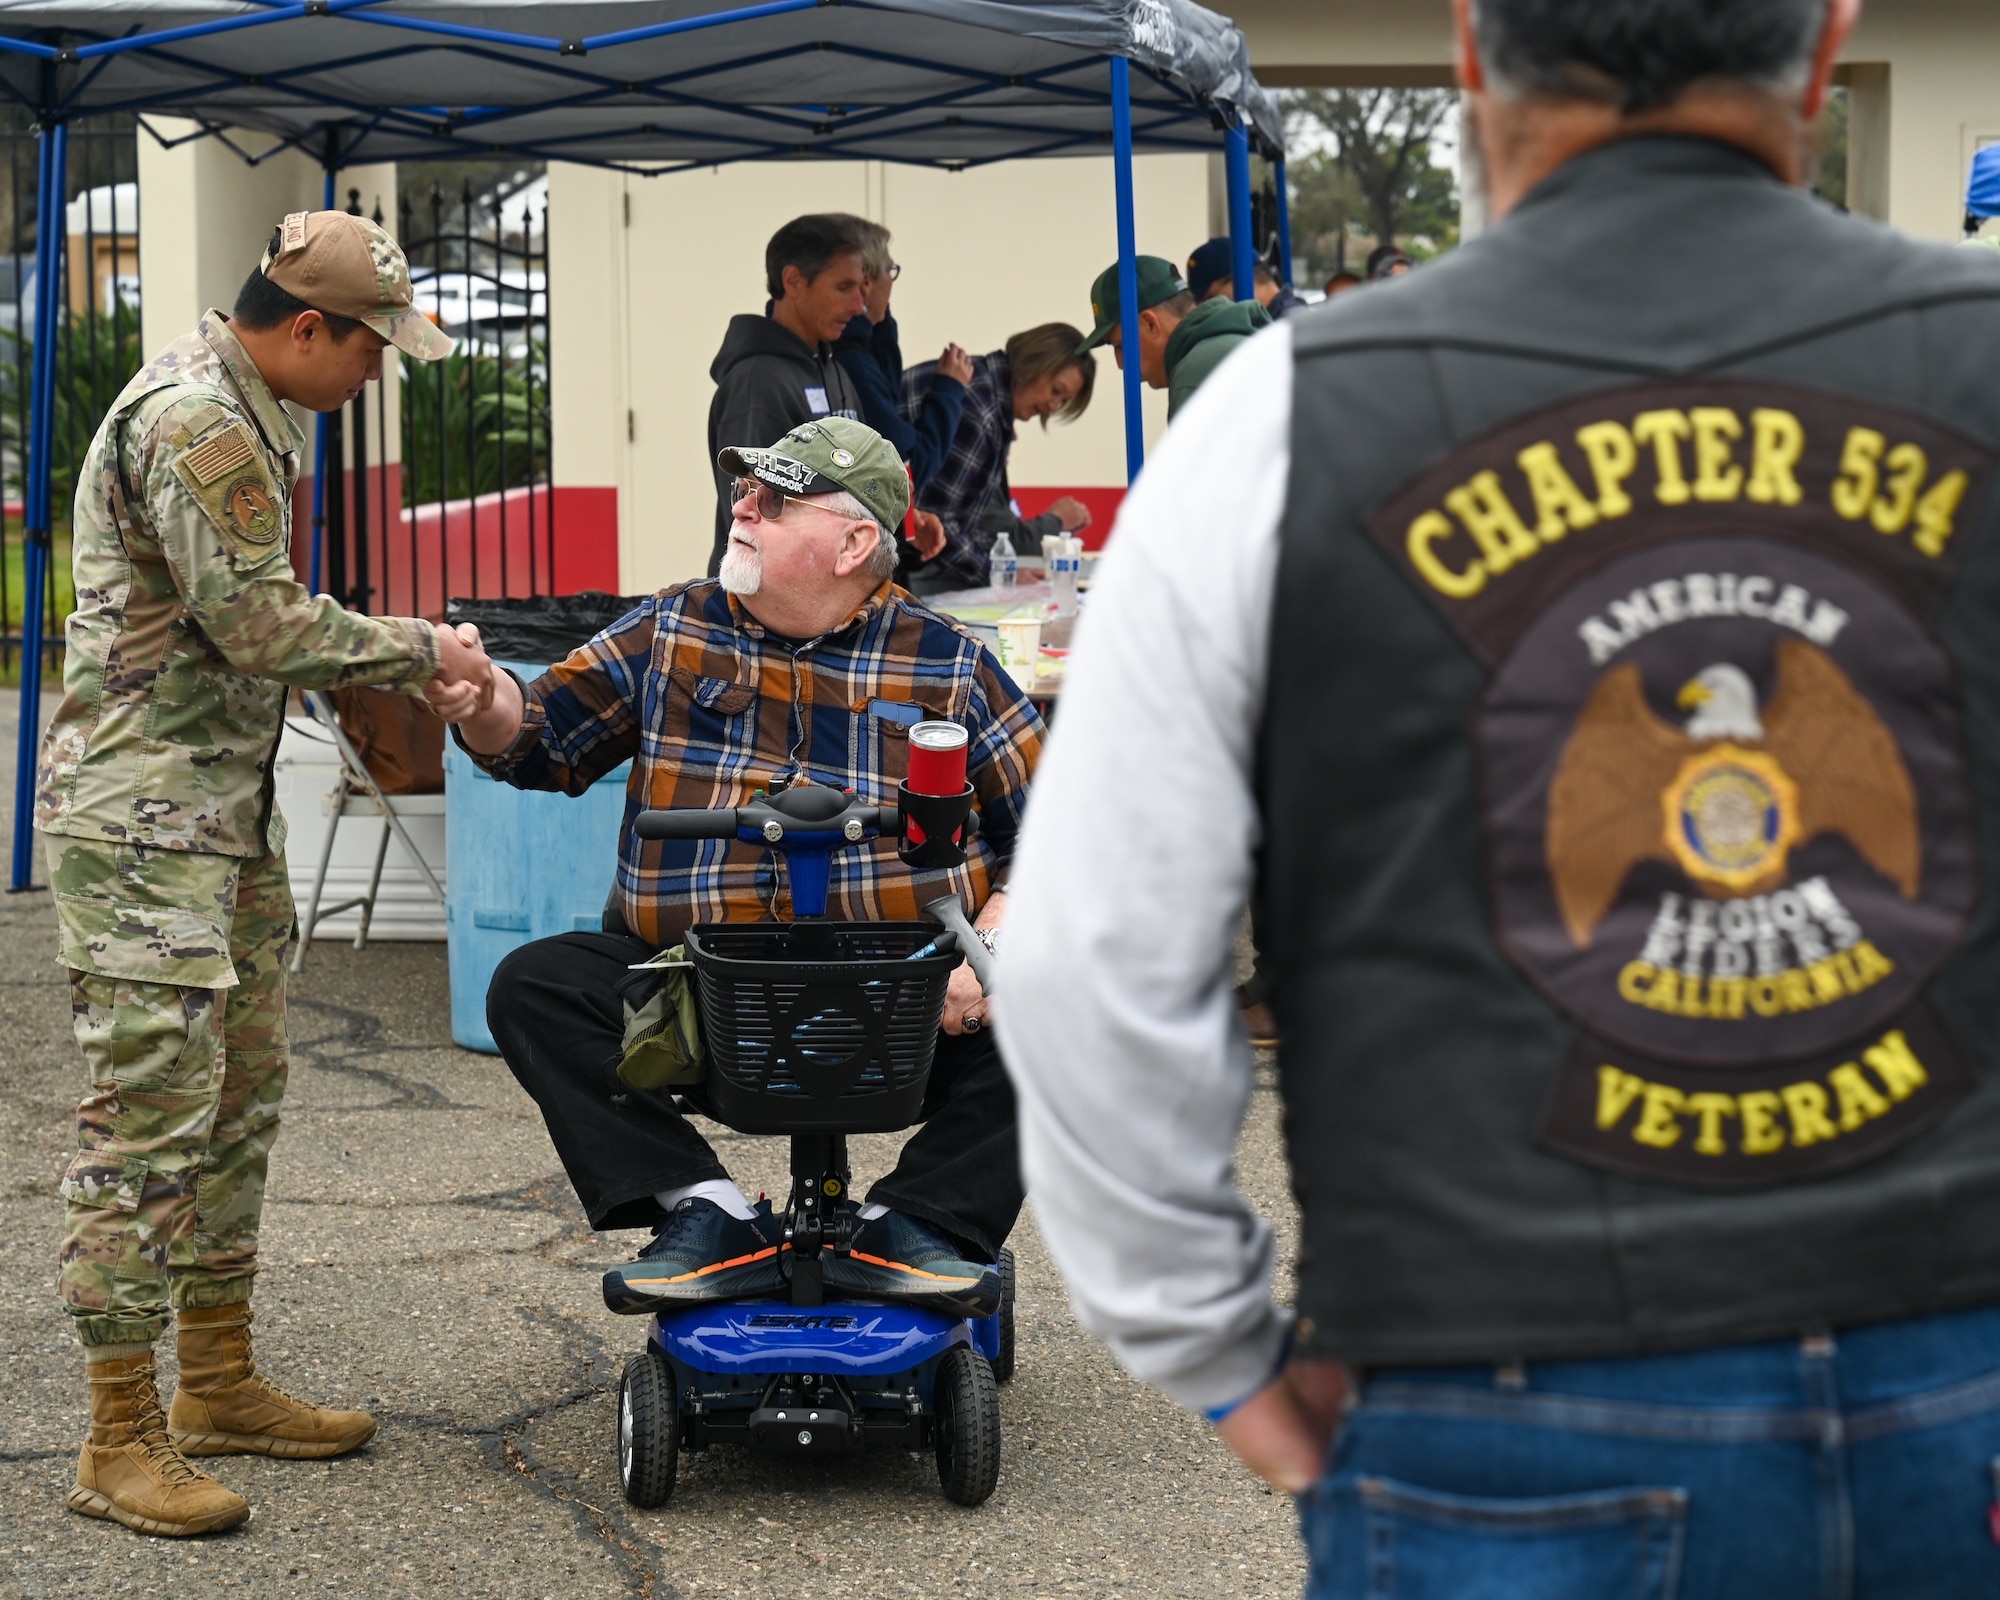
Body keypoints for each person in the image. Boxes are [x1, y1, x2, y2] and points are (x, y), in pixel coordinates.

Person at [1002, 0, 2000, 1592]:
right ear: (1825, 46)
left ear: (1472, 48)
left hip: (1504, 1393)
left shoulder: (1278, 415)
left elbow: (1088, 959)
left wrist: (1219, 1355)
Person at [34, 211, 487, 1539]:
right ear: (306, 330)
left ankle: (217, 1382)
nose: (373, 380)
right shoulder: (199, 422)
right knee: (149, 1122)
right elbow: (259, 621)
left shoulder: (243, 408)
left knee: (238, 1099)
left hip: (216, 816)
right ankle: (118, 1438)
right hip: (146, 831)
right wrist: (425, 650)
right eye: (371, 355)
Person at [449, 417, 1043, 1325]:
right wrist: (482, 697)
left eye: (776, 498)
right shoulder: (673, 626)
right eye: (743, 490)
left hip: (906, 1000)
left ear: (854, 543)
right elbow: (540, 739)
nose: (744, 506)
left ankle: (917, 1227)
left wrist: (988, 946)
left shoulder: (948, 664)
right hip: (696, 996)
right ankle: (707, 1215)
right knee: (535, 985)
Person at [706, 214, 866, 576]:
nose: (859, 306)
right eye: (844, 287)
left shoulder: (833, 369)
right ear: (793, 280)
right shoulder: (757, 383)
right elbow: (755, 514)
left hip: (829, 594)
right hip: (774, 610)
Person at [903, 324, 1095, 591]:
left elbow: (968, 521)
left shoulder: (986, 396)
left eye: (1062, 402)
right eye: (1055, 390)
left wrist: (1004, 568)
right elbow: (940, 520)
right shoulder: (979, 411)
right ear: (1035, 363)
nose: (1053, 407)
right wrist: (1000, 572)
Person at [1080, 255, 1269, 421]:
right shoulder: (1249, 338)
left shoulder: (1195, 374)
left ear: (1150, 324)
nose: (1120, 363)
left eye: (1119, 345)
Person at [1187, 237, 1305, 319]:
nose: (1208, 311)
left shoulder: (1282, 335)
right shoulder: (1299, 320)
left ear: (1238, 282)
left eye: (1208, 299)